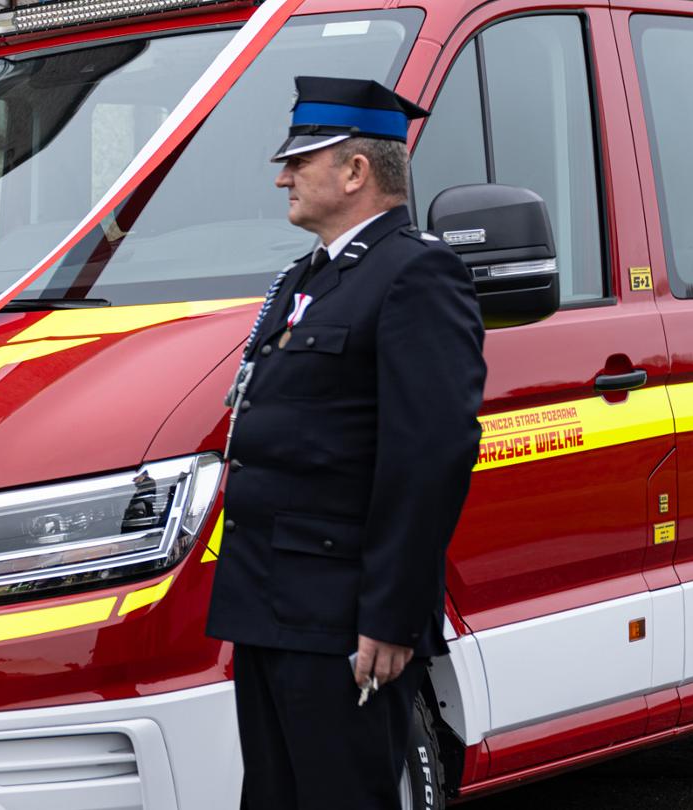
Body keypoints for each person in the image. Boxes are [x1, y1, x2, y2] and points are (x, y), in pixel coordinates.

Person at [207, 77, 486, 809]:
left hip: (342, 615)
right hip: (273, 604)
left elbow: (430, 455)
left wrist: (390, 619)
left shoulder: (415, 272)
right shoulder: (310, 279)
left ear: (356, 171)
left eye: (300, 160)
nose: (282, 176)